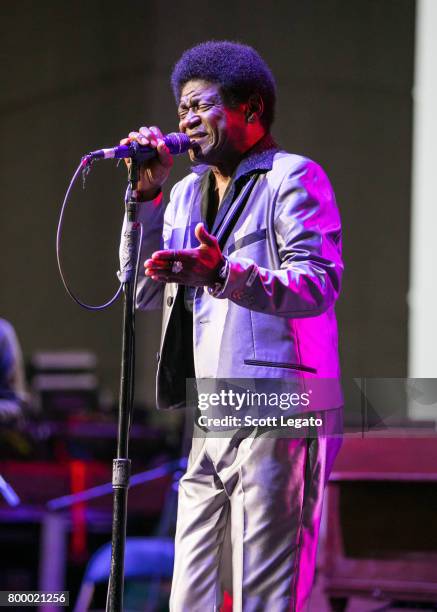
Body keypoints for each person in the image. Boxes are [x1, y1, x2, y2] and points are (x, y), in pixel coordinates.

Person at [120, 41, 343, 611]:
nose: (186, 121)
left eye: (202, 106)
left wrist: (225, 273)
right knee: (188, 596)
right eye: (181, 110)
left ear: (252, 108)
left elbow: (318, 283)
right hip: (210, 414)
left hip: (279, 407)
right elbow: (140, 290)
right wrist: (144, 201)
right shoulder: (185, 194)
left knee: (263, 595)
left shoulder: (293, 178)